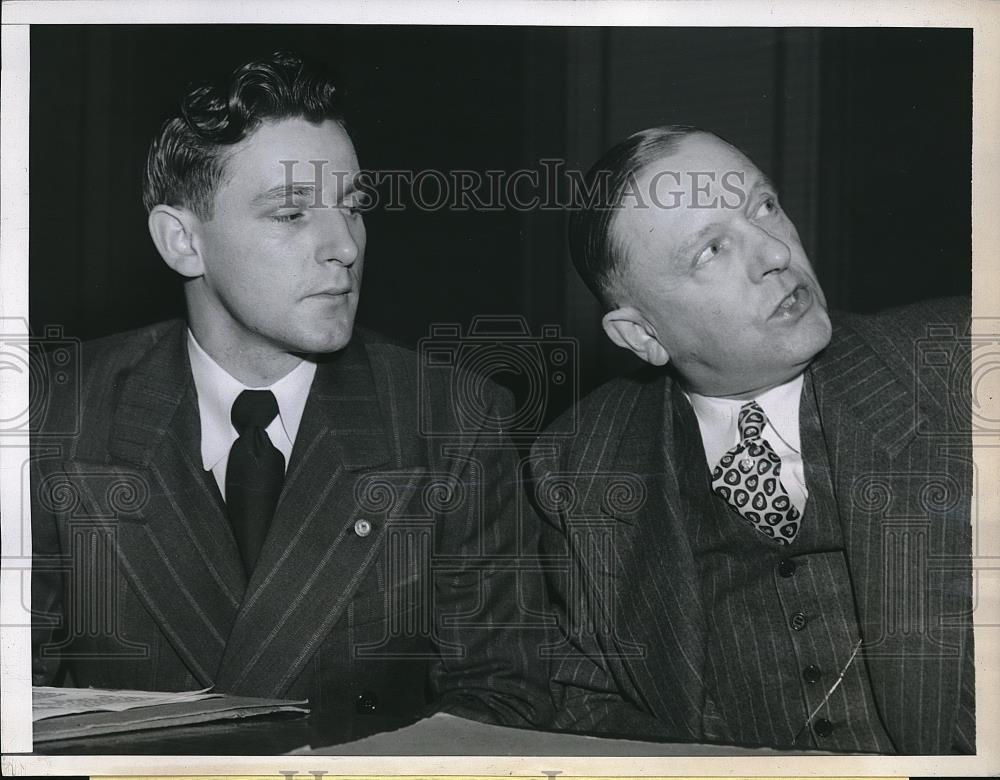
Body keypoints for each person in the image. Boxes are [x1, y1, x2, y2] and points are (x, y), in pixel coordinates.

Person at [30, 51, 551, 740]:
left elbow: (505, 705)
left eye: (354, 206)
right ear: (183, 241)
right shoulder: (52, 415)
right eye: (292, 213)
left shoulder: (451, 420)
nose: (344, 245)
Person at [533, 125, 974, 754]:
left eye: (764, 206)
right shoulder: (578, 465)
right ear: (641, 335)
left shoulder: (961, 364)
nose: (774, 252)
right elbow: (589, 703)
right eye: (711, 250)